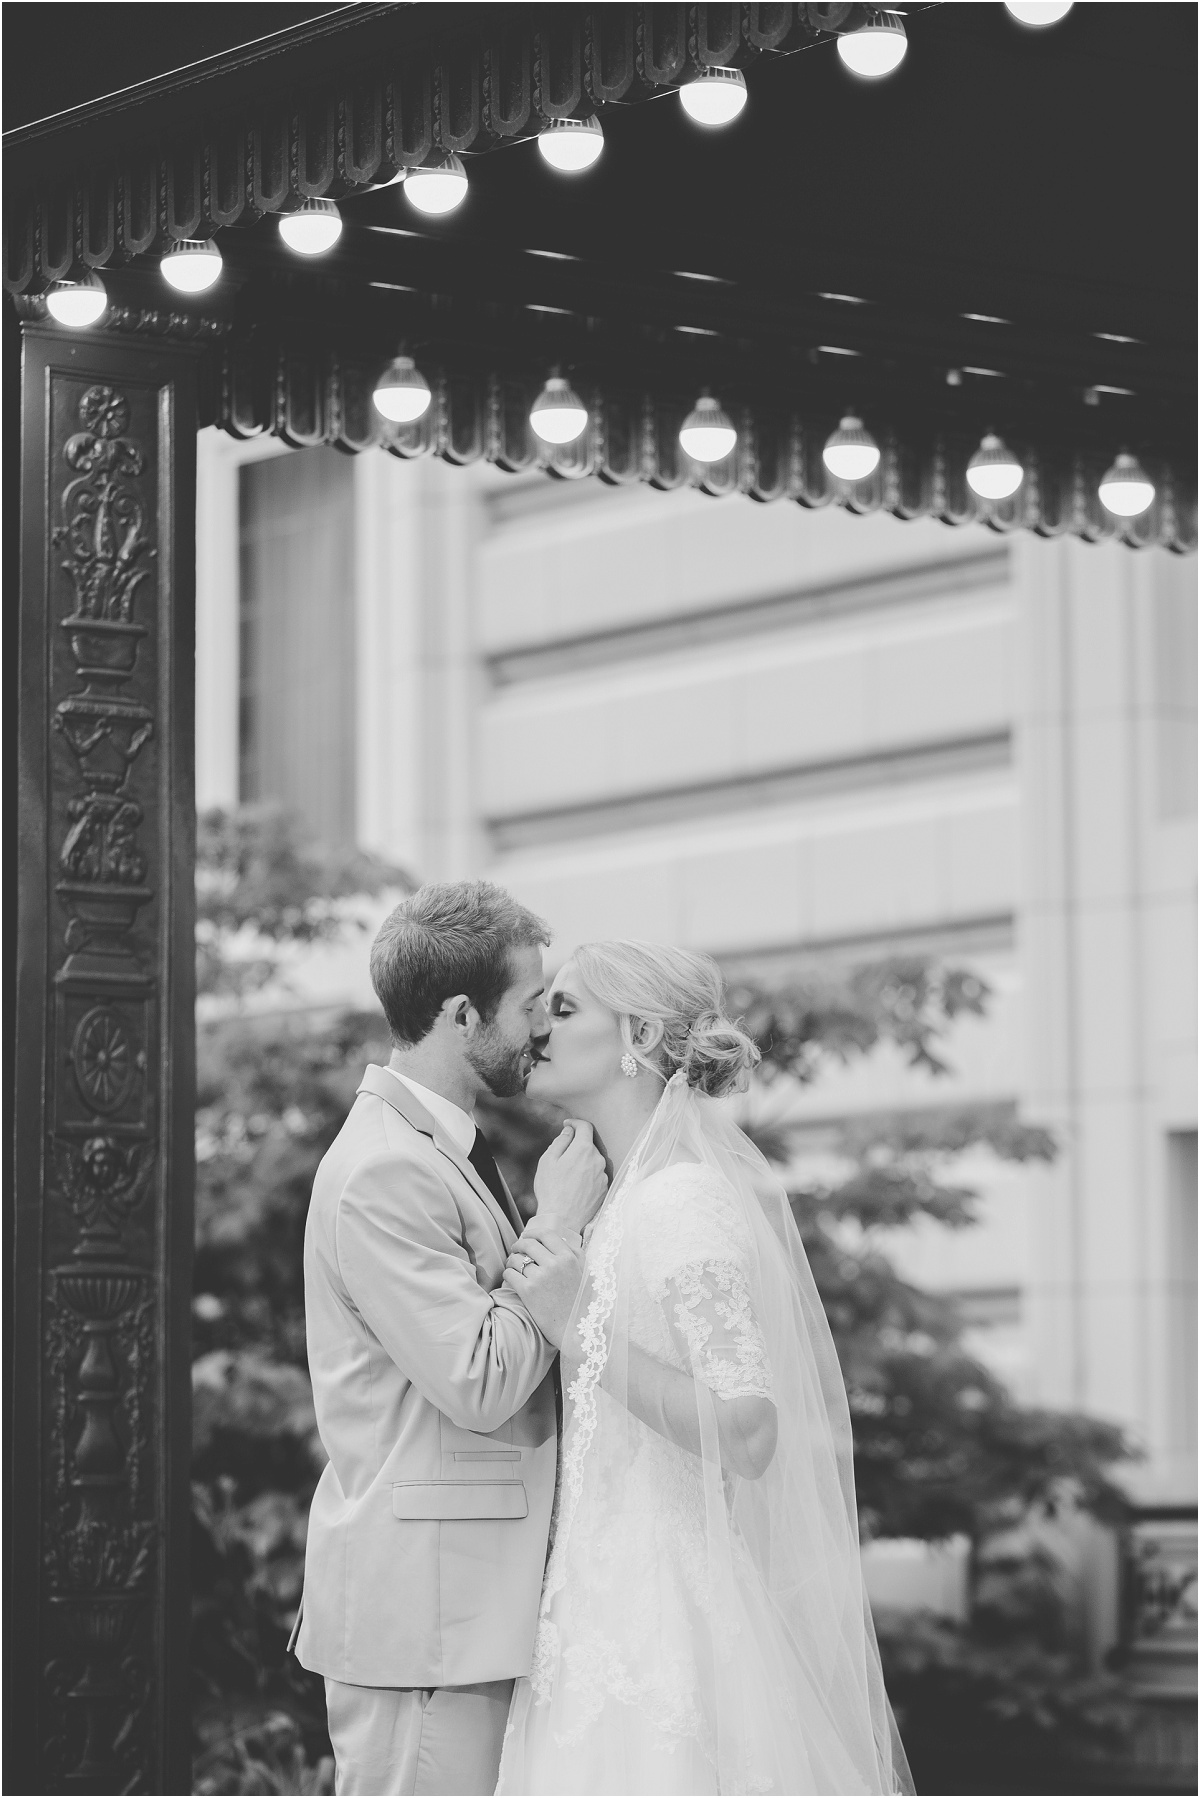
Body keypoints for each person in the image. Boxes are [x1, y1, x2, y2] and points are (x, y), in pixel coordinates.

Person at [496, 940, 913, 1796]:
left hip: (662, 1628)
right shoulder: (623, 1202)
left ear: (638, 1036)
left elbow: (750, 1430)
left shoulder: (680, 1200)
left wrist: (577, 1326)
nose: (538, 1028)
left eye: (564, 1008)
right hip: (594, 1606)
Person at [290, 881, 608, 1796]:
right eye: (526, 1005)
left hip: (464, 1611)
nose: (541, 1028)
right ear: (462, 1013)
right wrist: (557, 1228)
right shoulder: (385, 1170)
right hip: (425, 1625)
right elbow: (477, 1380)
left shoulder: (434, 1148)